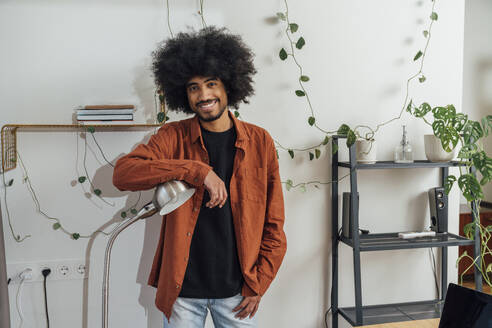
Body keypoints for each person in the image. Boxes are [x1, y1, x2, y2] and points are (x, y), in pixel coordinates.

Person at [112, 26, 286, 328]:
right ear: (183, 93)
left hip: (237, 291)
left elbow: (274, 224)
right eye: (193, 87)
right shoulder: (172, 137)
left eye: (211, 84)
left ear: (229, 86)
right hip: (183, 293)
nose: (203, 95)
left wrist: (260, 282)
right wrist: (196, 170)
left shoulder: (261, 142)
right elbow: (124, 173)